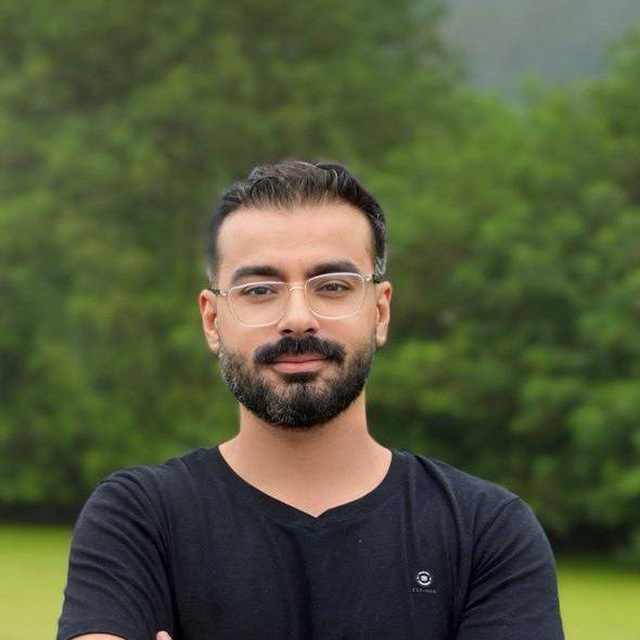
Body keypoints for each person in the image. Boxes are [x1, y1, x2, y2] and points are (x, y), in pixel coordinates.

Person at [57, 160, 564, 640]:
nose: (297, 319)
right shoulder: (138, 519)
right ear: (212, 321)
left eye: (333, 286)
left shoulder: (485, 531)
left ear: (380, 312)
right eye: (260, 290)